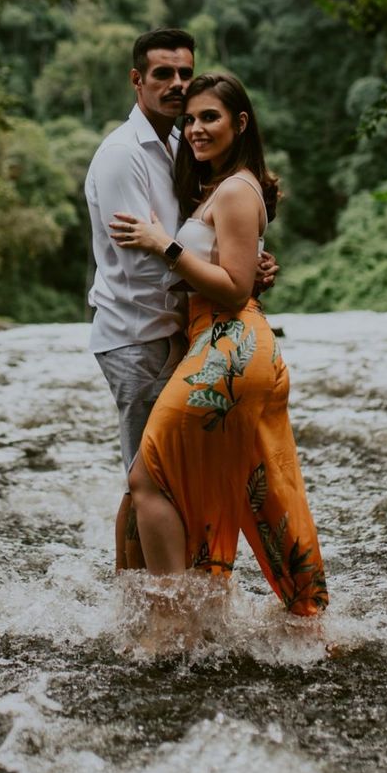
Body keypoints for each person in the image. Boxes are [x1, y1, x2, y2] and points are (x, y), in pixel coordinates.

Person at [108, 71, 329, 624]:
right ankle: (307, 617)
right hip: (230, 344)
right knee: (267, 487)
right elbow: (238, 272)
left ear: (240, 123)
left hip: (228, 345)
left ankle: (171, 623)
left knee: (147, 478)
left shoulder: (234, 188)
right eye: (190, 119)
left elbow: (231, 288)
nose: (197, 128)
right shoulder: (228, 185)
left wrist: (165, 244)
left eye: (210, 117)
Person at [83, 30, 278, 565]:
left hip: (182, 335)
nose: (176, 86)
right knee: (149, 478)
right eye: (163, 74)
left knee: (148, 479)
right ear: (136, 80)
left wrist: (244, 264)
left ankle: (135, 599)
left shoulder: (180, 142)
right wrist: (233, 275)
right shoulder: (124, 154)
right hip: (136, 335)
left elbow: (198, 233)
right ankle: (157, 607)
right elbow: (147, 254)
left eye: (184, 74)